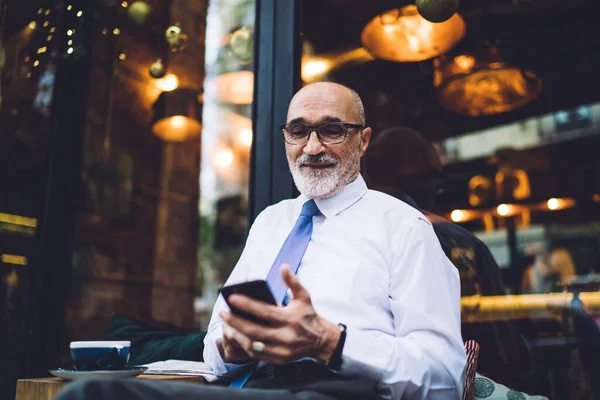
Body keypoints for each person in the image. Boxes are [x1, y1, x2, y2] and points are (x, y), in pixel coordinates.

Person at [56, 82, 466, 400]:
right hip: (246, 387)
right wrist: (232, 346)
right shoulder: (271, 222)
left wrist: (329, 341)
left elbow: (444, 377)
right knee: (92, 394)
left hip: (333, 391)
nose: (312, 147)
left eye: (332, 130)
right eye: (298, 131)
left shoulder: (403, 228)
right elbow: (216, 343)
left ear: (363, 140)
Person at [365, 126, 531, 391]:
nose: (437, 190)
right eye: (436, 180)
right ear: (422, 180)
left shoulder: (336, 240)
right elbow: (503, 352)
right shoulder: (457, 243)